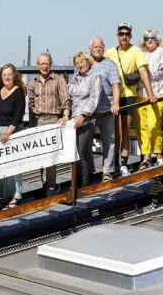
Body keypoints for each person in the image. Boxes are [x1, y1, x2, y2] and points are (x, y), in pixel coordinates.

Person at [105, 23, 157, 176]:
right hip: (112, 96)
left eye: (127, 34)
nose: (124, 36)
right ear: (117, 36)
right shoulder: (110, 52)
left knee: (124, 129)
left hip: (128, 95)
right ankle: (113, 163)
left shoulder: (135, 51)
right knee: (113, 130)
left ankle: (123, 163)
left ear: (131, 36)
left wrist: (151, 93)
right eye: (121, 33)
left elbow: (143, 72)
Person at [27, 53, 71, 191]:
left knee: (51, 153)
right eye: (42, 64)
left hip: (54, 119)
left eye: (47, 63)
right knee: (41, 154)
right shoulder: (32, 82)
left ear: (51, 64)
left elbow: (65, 99)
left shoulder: (59, 79)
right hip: (39, 120)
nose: (44, 66)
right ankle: (43, 184)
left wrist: (65, 116)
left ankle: (51, 184)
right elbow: (30, 103)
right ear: (37, 65)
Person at [135, 29, 163, 170]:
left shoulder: (162, 52)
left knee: (153, 125)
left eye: (152, 37)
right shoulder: (140, 53)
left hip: (158, 93)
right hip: (140, 93)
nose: (150, 40)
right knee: (142, 127)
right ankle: (146, 157)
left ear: (157, 39)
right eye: (147, 38)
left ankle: (158, 154)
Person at [0, 64, 27, 210]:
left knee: (14, 164)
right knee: (0, 166)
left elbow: (19, 115)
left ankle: (16, 195)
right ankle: (5, 195)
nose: (7, 77)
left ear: (14, 76)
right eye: (4, 75)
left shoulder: (18, 92)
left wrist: (8, 132)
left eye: (9, 74)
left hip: (12, 131)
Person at [87, 37, 122, 182]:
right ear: (89, 48)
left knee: (109, 141)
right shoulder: (84, 64)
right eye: (95, 46)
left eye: (100, 46)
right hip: (88, 112)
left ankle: (107, 171)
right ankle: (88, 172)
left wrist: (115, 103)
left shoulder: (110, 64)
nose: (98, 49)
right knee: (85, 142)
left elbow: (116, 86)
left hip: (106, 109)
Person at [67, 52, 103, 182]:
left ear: (88, 61)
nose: (80, 64)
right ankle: (76, 180)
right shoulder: (75, 77)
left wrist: (83, 115)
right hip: (72, 119)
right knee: (73, 150)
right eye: (77, 62)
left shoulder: (95, 76)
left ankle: (84, 181)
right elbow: (69, 96)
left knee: (79, 150)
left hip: (86, 119)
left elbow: (94, 99)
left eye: (83, 61)